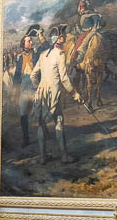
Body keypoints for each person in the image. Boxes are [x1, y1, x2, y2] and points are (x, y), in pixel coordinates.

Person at [31, 25, 81, 163]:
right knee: (58, 121)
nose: (64, 36)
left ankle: (42, 157)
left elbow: (33, 75)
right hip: (53, 93)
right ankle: (64, 156)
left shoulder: (42, 54)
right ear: (59, 38)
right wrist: (74, 93)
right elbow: (64, 78)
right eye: (63, 34)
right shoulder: (60, 54)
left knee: (41, 124)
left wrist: (38, 88)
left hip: (41, 92)